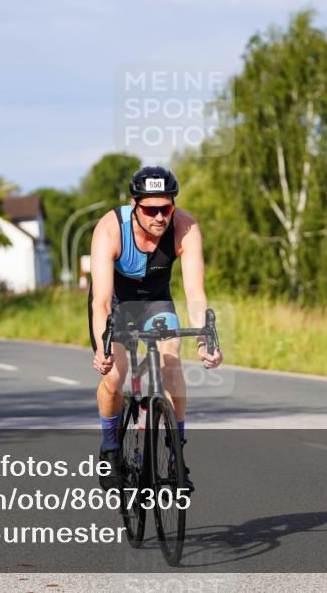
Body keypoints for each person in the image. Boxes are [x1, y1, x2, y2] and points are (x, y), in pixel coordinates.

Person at [88, 166, 222, 491]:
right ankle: (110, 448)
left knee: (171, 361)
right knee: (115, 376)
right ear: (135, 206)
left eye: (167, 208)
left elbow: (194, 292)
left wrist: (205, 338)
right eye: (151, 209)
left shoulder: (185, 228)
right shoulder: (111, 229)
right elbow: (101, 302)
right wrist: (102, 348)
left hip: (156, 302)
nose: (160, 217)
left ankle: (176, 454)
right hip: (117, 305)